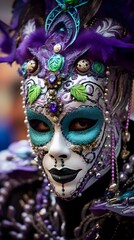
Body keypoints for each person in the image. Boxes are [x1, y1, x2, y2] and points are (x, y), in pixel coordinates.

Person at [0, 0, 134, 239]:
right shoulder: (13, 191)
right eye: (40, 125)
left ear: (117, 110)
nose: (56, 150)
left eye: (81, 123)